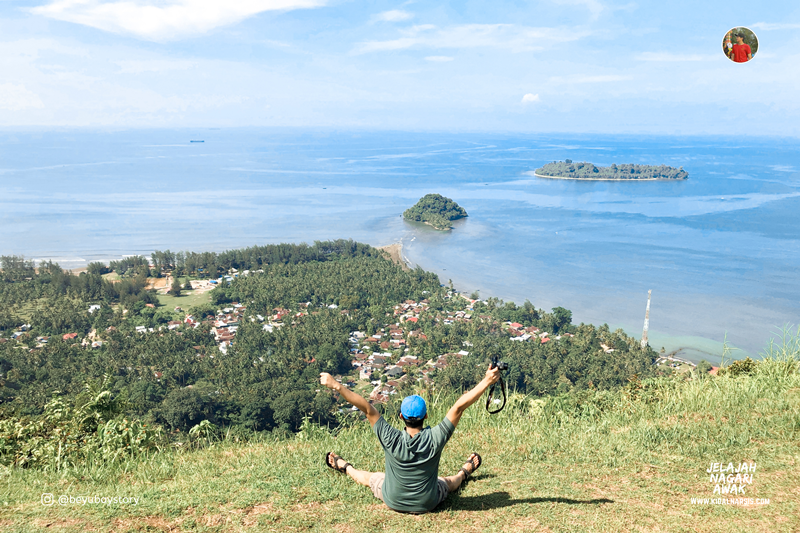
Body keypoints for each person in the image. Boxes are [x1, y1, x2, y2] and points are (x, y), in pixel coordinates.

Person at [320, 364, 502, 513]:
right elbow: (459, 407)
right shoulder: (435, 437)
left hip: (393, 500)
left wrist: (337, 385)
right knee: (446, 482)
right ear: (426, 416)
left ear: (401, 417)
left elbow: (367, 408)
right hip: (427, 503)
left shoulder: (390, 437)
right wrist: (487, 380)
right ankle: (464, 472)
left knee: (372, 477)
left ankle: (343, 465)